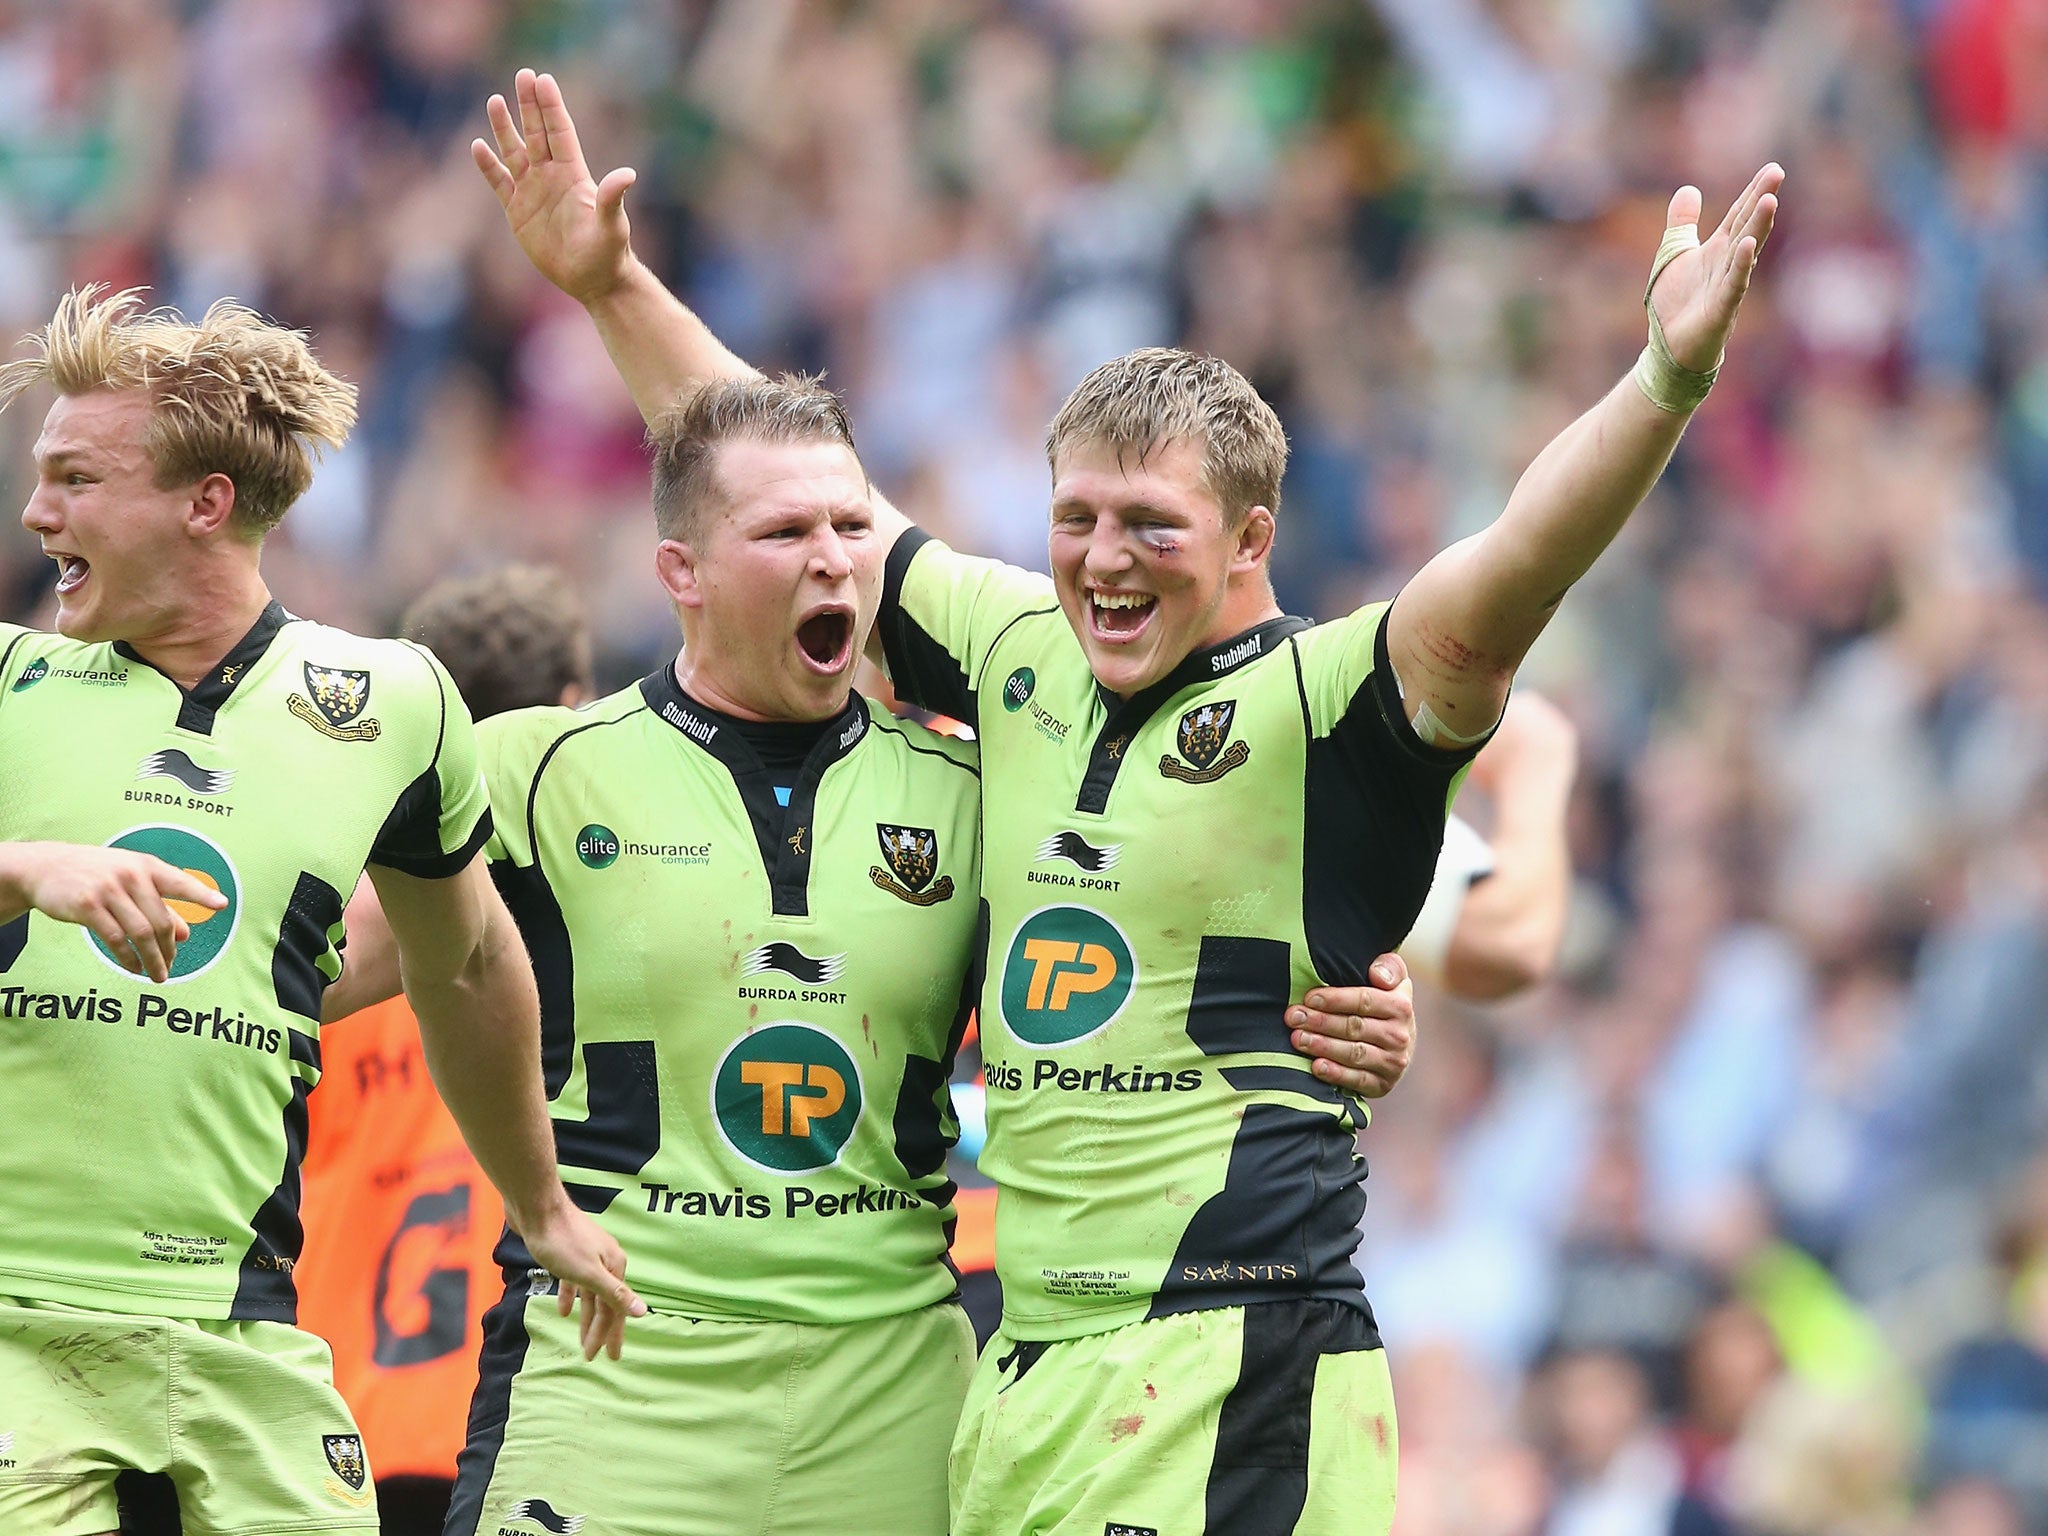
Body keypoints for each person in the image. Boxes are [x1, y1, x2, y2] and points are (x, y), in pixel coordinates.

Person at [484, 68, 1775, 1535]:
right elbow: (779, 497)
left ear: (1250, 540)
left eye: (1150, 528)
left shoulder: (1335, 702)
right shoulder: (1014, 651)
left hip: (1241, 1353)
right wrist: (612, 287)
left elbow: (1514, 563)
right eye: (1075, 520)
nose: (1102, 560)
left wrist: (1661, 380)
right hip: (1032, 1370)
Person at [0, 288, 639, 1536]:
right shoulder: (13, 681)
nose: (38, 514)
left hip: (242, 1329)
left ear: (205, 503)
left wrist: (542, 1203)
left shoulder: (392, 701)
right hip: (16, 1318)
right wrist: (25, 869)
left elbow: (461, 966)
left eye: (75, 478)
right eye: (39, 478)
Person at [295, 566, 595, 1536]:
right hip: (529, 1409)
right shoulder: (598, 950)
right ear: (573, 712)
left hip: (335, 1423)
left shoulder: (342, 954)